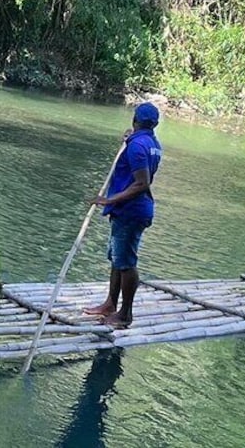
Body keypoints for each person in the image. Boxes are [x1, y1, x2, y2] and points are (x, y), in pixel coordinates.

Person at [83, 102, 163, 328]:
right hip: (131, 210)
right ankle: (110, 304)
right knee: (117, 259)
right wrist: (131, 139)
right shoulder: (151, 143)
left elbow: (141, 183)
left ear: (134, 119)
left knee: (127, 262)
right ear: (154, 124)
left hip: (132, 211)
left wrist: (108, 200)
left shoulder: (138, 146)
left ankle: (125, 314)